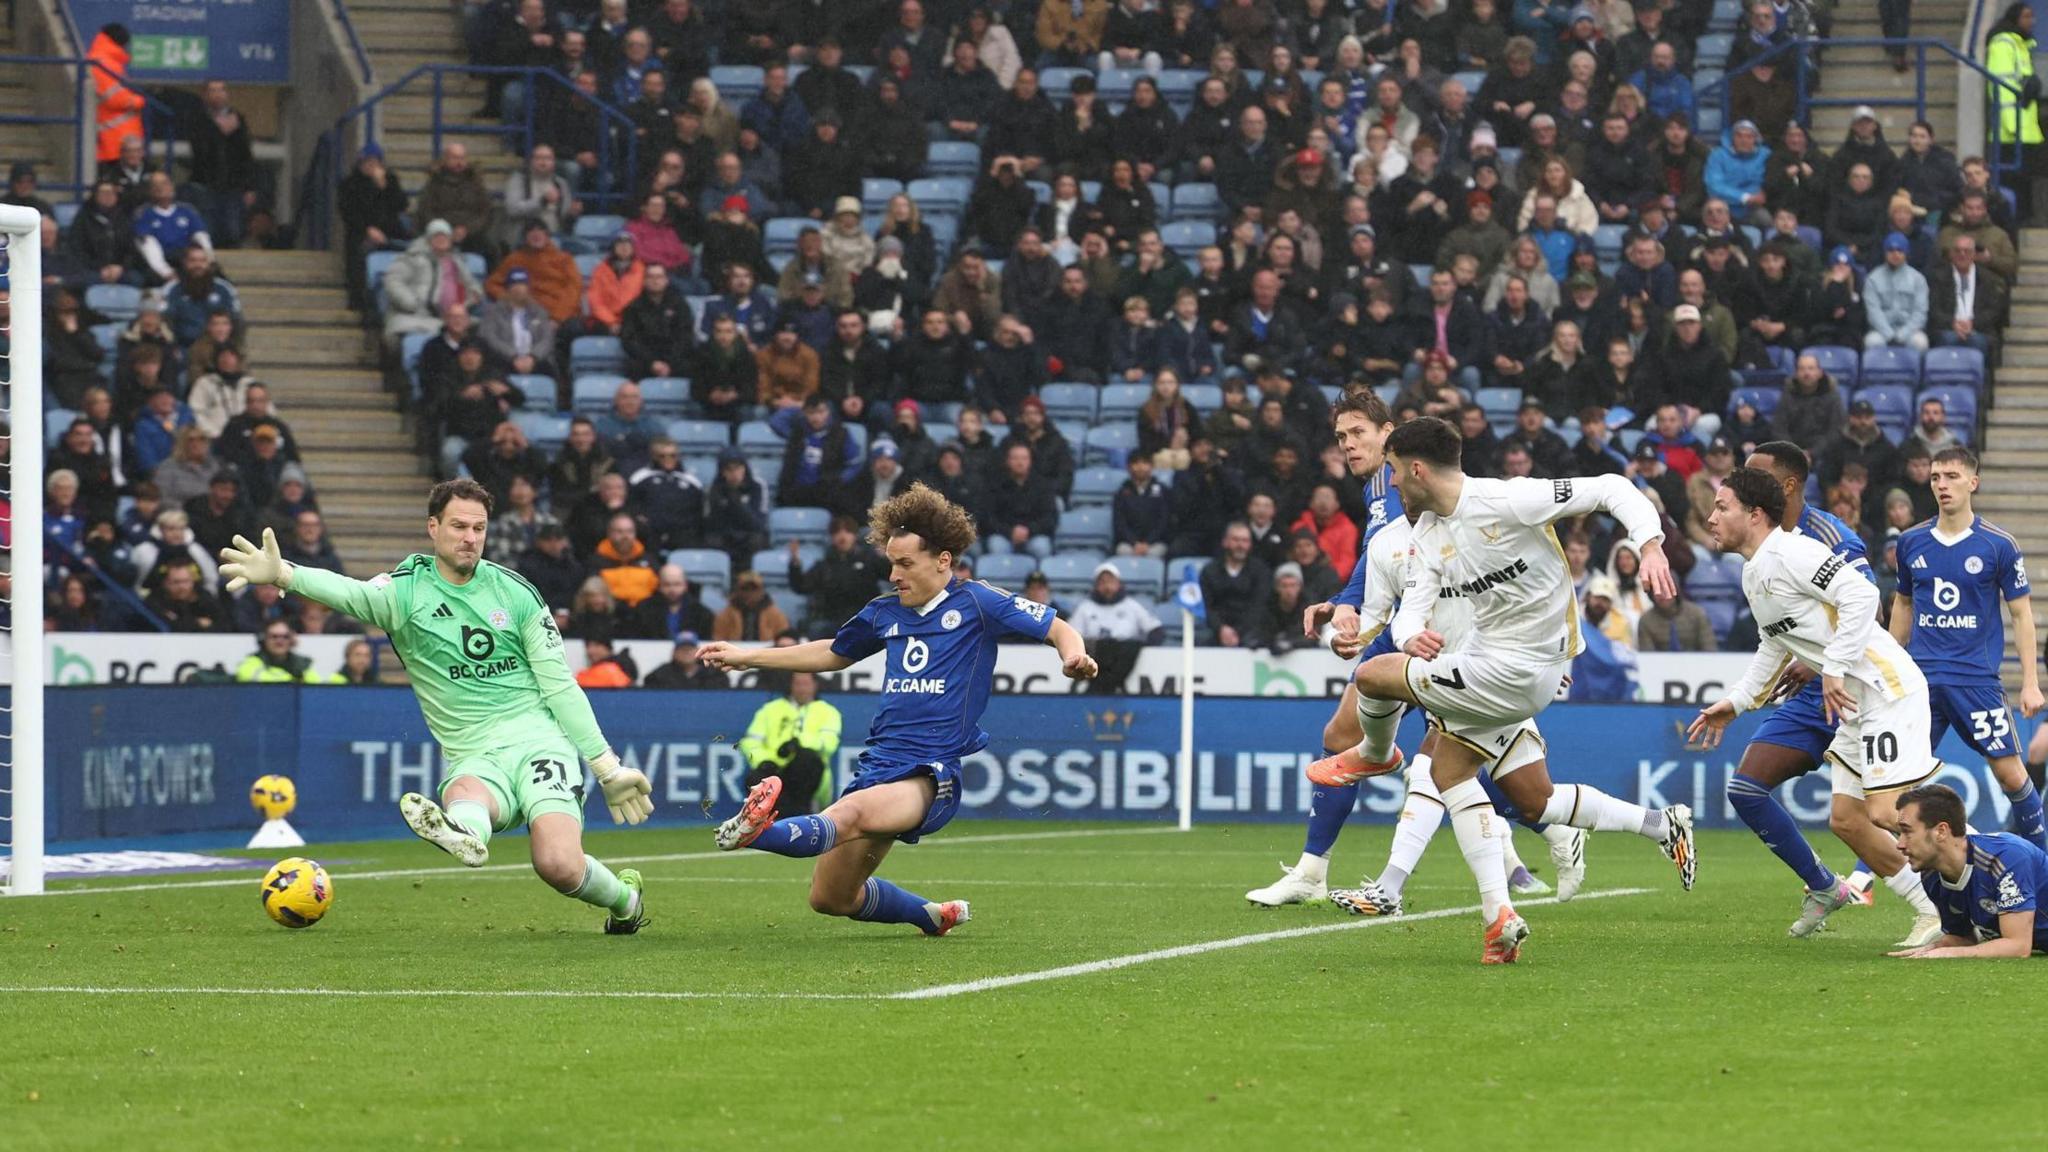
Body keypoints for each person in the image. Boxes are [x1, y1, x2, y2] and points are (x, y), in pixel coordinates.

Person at [216, 479, 655, 932]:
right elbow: (351, 593)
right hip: (474, 754)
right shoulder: (406, 593)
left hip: (540, 742)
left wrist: (607, 768)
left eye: (479, 528)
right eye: (459, 526)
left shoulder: (516, 594)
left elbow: (561, 685)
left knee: (558, 865)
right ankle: (465, 834)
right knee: (464, 792)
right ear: (433, 527)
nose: (470, 538)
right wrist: (287, 574)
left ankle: (625, 900)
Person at [1332, 416, 1695, 962]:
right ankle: (1501, 917)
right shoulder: (1427, 535)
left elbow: (1613, 488)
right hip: (1491, 668)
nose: (1391, 486)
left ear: (1416, 469)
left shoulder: (1508, 500)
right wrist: (1410, 639)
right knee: (1475, 779)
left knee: (1370, 677)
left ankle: (1376, 760)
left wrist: (1650, 545)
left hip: (1523, 670)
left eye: (1393, 472)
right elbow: (1407, 616)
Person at [699, 484, 1098, 935]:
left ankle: (756, 830)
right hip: (878, 764)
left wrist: (1073, 656)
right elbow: (833, 652)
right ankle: (932, 917)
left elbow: (1056, 626)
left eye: (906, 563)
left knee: (846, 815)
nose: (894, 574)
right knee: (830, 898)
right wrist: (746, 655)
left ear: (943, 560)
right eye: (891, 563)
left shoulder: (979, 603)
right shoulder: (885, 613)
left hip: (929, 772)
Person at [1690, 467, 1947, 948]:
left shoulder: (1794, 551)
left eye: (1722, 506)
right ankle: (1931, 909)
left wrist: (1831, 666)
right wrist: (1737, 701)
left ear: (1755, 514)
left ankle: (1992, 876)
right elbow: (1774, 644)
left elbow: (1862, 594)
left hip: (1884, 688)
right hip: (1853, 702)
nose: (1711, 517)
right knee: (1848, 820)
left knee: (1890, 810)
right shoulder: (1754, 570)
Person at [1888, 448, 2047, 851]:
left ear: (1973, 482)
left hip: (1976, 681)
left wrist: (2031, 683)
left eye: (1952, 476)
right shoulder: (1911, 542)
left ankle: (2041, 860)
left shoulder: (1999, 545)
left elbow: (2021, 615)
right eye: (1936, 476)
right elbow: (1903, 605)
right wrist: (1888, 668)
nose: (1942, 485)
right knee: (1897, 783)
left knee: (2011, 775)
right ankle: (1862, 880)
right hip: (1920, 683)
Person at [1890, 783, 2048, 957]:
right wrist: (1936, 948)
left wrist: (1949, 954)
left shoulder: (2005, 857)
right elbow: (1963, 938)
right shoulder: (1932, 875)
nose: (1900, 844)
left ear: (1941, 831)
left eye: (1907, 832)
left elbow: (2018, 946)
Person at [738, 671, 845, 816]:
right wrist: (763, 760)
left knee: (807, 760)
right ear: (791, 685)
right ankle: (760, 822)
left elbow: (828, 744)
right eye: (798, 684)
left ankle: (800, 816)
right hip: (774, 770)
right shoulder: (770, 709)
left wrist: (799, 743)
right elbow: (750, 741)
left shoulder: (828, 711)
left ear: (815, 685)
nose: (802, 688)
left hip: (806, 775)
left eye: (806, 684)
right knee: (756, 776)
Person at [234, 622, 339, 684]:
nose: (280, 641)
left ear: (291, 640)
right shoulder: (251, 661)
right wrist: (293, 680)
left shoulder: (302, 664)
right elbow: (250, 677)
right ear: (264, 639)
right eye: (274, 637)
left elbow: (314, 686)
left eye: (285, 637)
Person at [644, 632, 729, 690]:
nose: (686, 652)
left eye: (690, 649)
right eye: (682, 649)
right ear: (674, 653)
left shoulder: (715, 675)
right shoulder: (659, 675)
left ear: (699, 651)